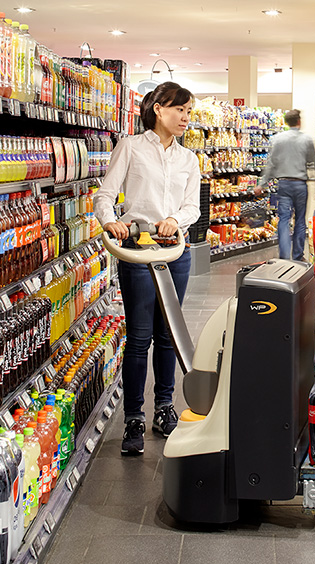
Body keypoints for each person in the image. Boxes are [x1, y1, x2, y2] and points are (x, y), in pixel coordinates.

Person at [94, 82, 200, 456]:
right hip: (137, 250)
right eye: (179, 110)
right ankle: (134, 418)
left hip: (175, 253)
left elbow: (193, 207)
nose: (186, 118)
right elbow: (104, 196)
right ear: (158, 109)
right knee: (140, 337)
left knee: (168, 335)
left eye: (189, 111)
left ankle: (165, 409)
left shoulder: (189, 159)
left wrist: (175, 218)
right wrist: (111, 221)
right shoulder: (132, 147)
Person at [253, 109, 315, 261]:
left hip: (283, 185)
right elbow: (314, 165)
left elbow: (271, 165)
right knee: (300, 220)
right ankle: (297, 256)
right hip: (300, 185)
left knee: (283, 219)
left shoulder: (277, 139)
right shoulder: (307, 140)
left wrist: (261, 184)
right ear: (299, 122)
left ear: (286, 122)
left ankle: (284, 255)